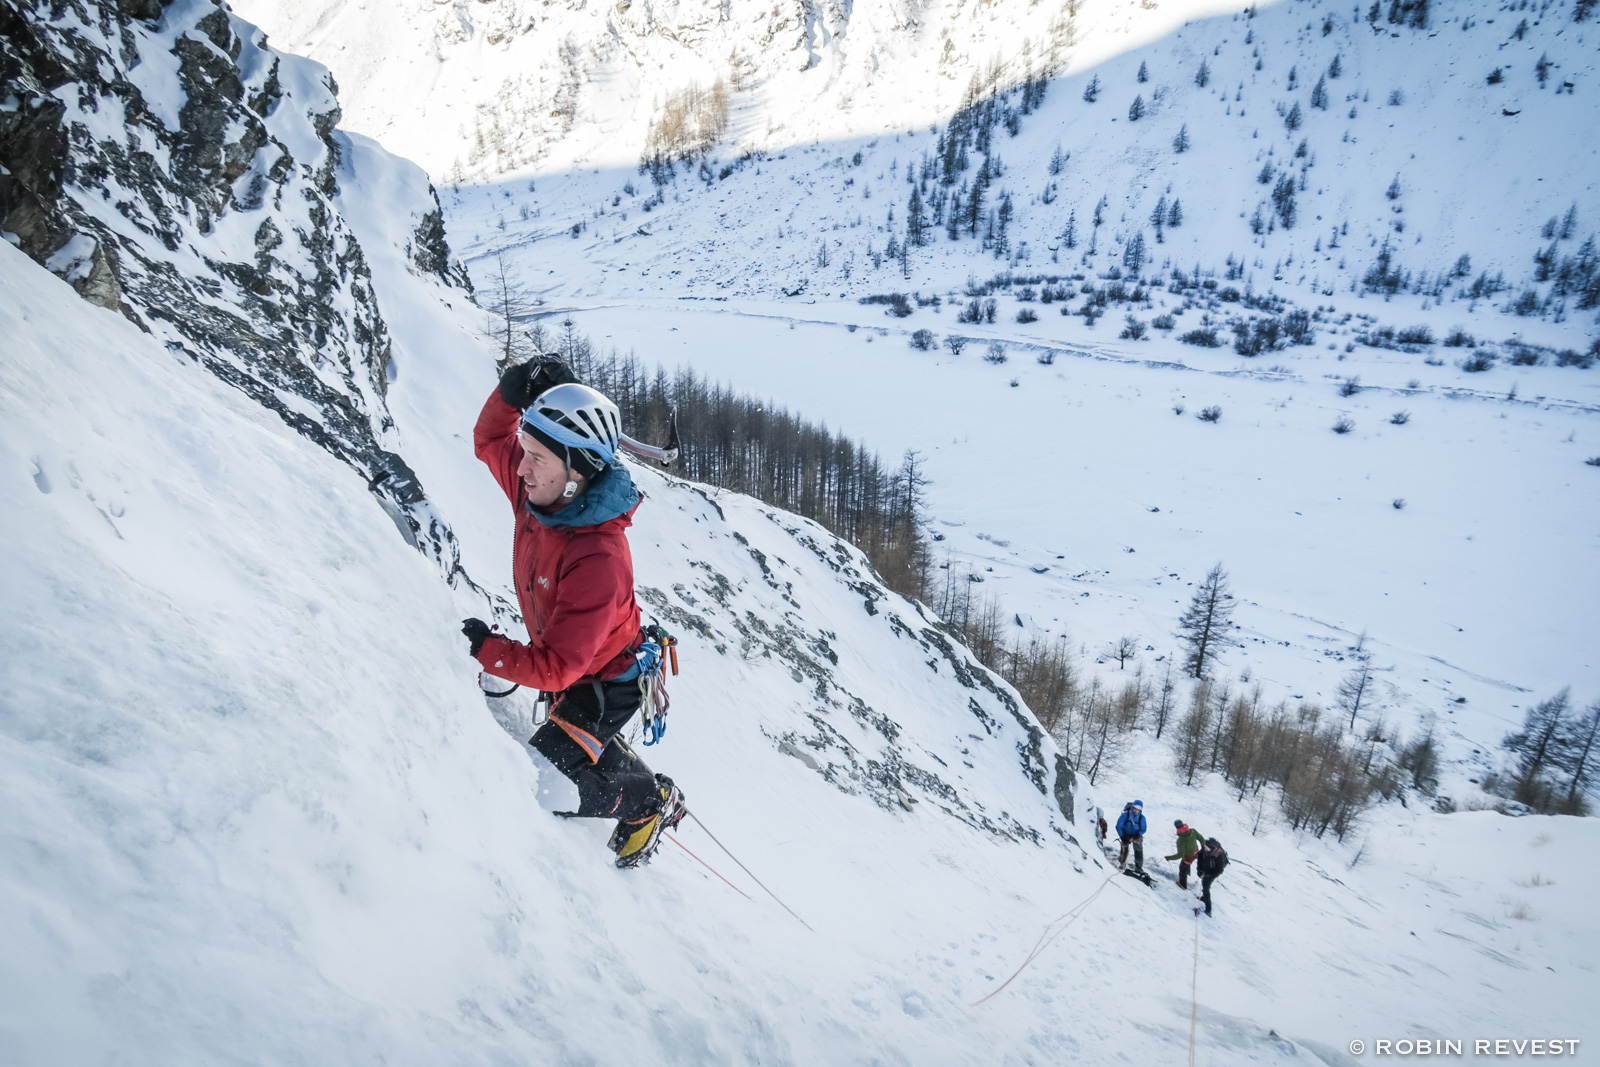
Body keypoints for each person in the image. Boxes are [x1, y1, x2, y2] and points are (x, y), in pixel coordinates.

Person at [461, 357, 683, 868]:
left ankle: (649, 804)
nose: (520, 468)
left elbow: (557, 668)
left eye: (536, 457)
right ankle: (620, 768)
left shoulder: (599, 558)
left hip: (605, 681)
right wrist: (512, 393)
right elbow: (489, 442)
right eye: (526, 452)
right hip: (576, 658)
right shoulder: (544, 494)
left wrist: (485, 650)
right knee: (568, 740)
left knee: (543, 781)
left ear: (578, 470)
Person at [1166, 818, 1206, 889]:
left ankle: (1182, 885)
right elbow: (1201, 839)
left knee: (1182, 869)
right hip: (1197, 853)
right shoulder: (1193, 831)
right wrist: (1204, 847)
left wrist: (1169, 858)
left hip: (1188, 857)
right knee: (1188, 864)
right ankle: (1192, 873)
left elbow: (1180, 854)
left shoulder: (1180, 840)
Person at [1195, 837, 1229, 916]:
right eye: (1204, 846)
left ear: (1212, 848)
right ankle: (1203, 898)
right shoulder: (1204, 849)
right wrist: (1199, 870)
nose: (1204, 848)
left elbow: (1220, 870)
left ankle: (1208, 909)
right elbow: (1199, 859)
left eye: (1206, 847)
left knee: (1206, 887)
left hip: (1213, 872)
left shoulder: (1219, 854)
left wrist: (1210, 876)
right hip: (1206, 868)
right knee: (1204, 883)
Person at [1114, 799, 1147, 873]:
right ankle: (1122, 863)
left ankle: (1138, 868)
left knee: (1138, 851)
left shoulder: (1142, 818)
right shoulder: (1125, 815)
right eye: (1135, 808)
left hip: (1136, 836)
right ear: (1132, 807)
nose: (1136, 811)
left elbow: (1143, 829)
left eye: (1138, 809)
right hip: (1125, 835)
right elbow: (1118, 826)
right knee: (1124, 849)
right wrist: (1122, 836)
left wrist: (1138, 835)